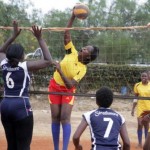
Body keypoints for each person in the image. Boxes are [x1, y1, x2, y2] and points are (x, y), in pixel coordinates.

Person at [48, 10, 99, 150]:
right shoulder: (72, 52)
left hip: (67, 90)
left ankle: (64, 148)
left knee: (64, 117)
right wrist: (72, 16)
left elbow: (70, 85)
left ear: (88, 57)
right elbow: (66, 34)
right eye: (84, 47)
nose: (83, 48)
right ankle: (56, 148)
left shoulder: (83, 68)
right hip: (54, 86)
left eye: (86, 49)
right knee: (55, 116)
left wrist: (59, 69)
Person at [0, 21, 53, 150]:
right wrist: (39, 38)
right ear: (22, 56)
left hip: (5, 104)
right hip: (21, 105)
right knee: (23, 147)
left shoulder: (3, 64)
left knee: (11, 146)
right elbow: (48, 60)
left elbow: (0, 50)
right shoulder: (24, 66)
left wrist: (13, 36)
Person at [131, 71, 150, 148]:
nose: (144, 78)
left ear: (148, 77)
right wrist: (132, 109)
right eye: (142, 76)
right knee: (139, 124)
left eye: (145, 76)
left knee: (146, 126)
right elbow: (135, 98)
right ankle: (139, 143)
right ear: (140, 77)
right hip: (140, 109)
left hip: (148, 109)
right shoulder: (137, 85)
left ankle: (146, 143)